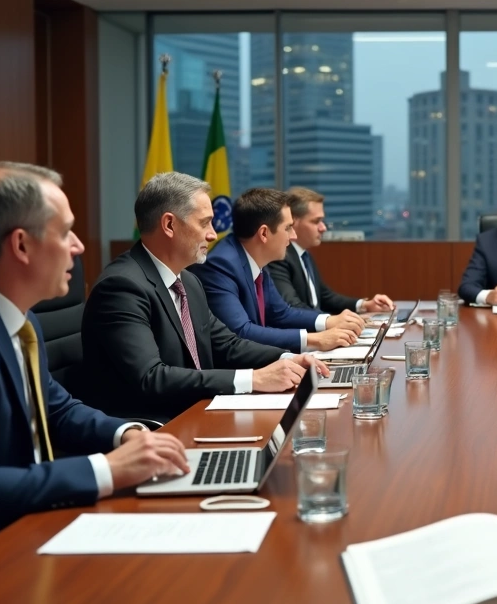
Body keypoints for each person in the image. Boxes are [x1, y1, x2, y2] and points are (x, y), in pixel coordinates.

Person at [0, 162, 189, 549]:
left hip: (40, 517)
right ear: (21, 244)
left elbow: (56, 409)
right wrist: (104, 470)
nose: (79, 246)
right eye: (66, 231)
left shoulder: (22, 320)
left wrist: (128, 434)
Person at [82, 172, 329, 424]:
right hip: (155, 428)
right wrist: (254, 379)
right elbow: (151, 377)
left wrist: (286, 358)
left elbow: (227, 344)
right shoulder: (122, 287)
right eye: (205, 223)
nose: (213, 235)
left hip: (198, 409)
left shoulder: (188, 280)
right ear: (169, 225)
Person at [189, 188, 362, 352]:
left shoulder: (257, 258)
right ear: (264, 233)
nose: (293, 236)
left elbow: (281, 313)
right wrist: (315, 339)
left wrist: (329, 321)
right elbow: (241, 332)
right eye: (288, 228)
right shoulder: (221, 265)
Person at [268, 186, 395, 314]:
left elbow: (325, 297)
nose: (323, 228)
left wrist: (365, 305)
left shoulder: (305, 255)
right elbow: (292, 306)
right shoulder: (280, 257)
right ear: (293, 221)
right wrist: (333, 321)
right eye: (316, 221)